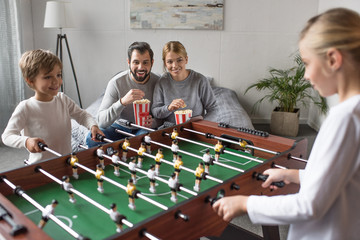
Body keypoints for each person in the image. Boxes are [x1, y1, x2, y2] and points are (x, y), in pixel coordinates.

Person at [212, 8, 360, 240]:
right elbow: (339, 178)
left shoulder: (346, 118)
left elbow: (309, 206)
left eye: (307, 63)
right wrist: (293, 175)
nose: (305, 76)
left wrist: (246, 204)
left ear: (333, 59)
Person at [1, 49, 103, 164]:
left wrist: (93, 126)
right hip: (41, 167)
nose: (56, 81)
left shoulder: (63, 99)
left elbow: (82, 115)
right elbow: (7, 136)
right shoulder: (25, 107)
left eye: (58, 75)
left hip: (67, 162)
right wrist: (26, 141)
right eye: (48, 77)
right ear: (30, 81)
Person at [86, 42, 160, 147]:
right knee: (91, 139)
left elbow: (164, 115)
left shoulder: (158, 82)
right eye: (136, 62)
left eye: (145, 62)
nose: (140, 67)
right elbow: (101, 121)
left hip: (143, 128)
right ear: (128, 62)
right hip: (118, 127)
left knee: (144, 139)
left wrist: (153, 122)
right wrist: (122, 102)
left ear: (152, 63)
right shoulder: (116, 82)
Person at [151, 41, 217, 124]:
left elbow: (213, 109)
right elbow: (156, 111)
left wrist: (201, 125)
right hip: (170, 131)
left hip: (195, 130)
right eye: (170, 62)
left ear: (186, 59)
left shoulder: (200, 80)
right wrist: (169, 108)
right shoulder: (162, 82)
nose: (175, 65)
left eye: (179, 60)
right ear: (165, 63)